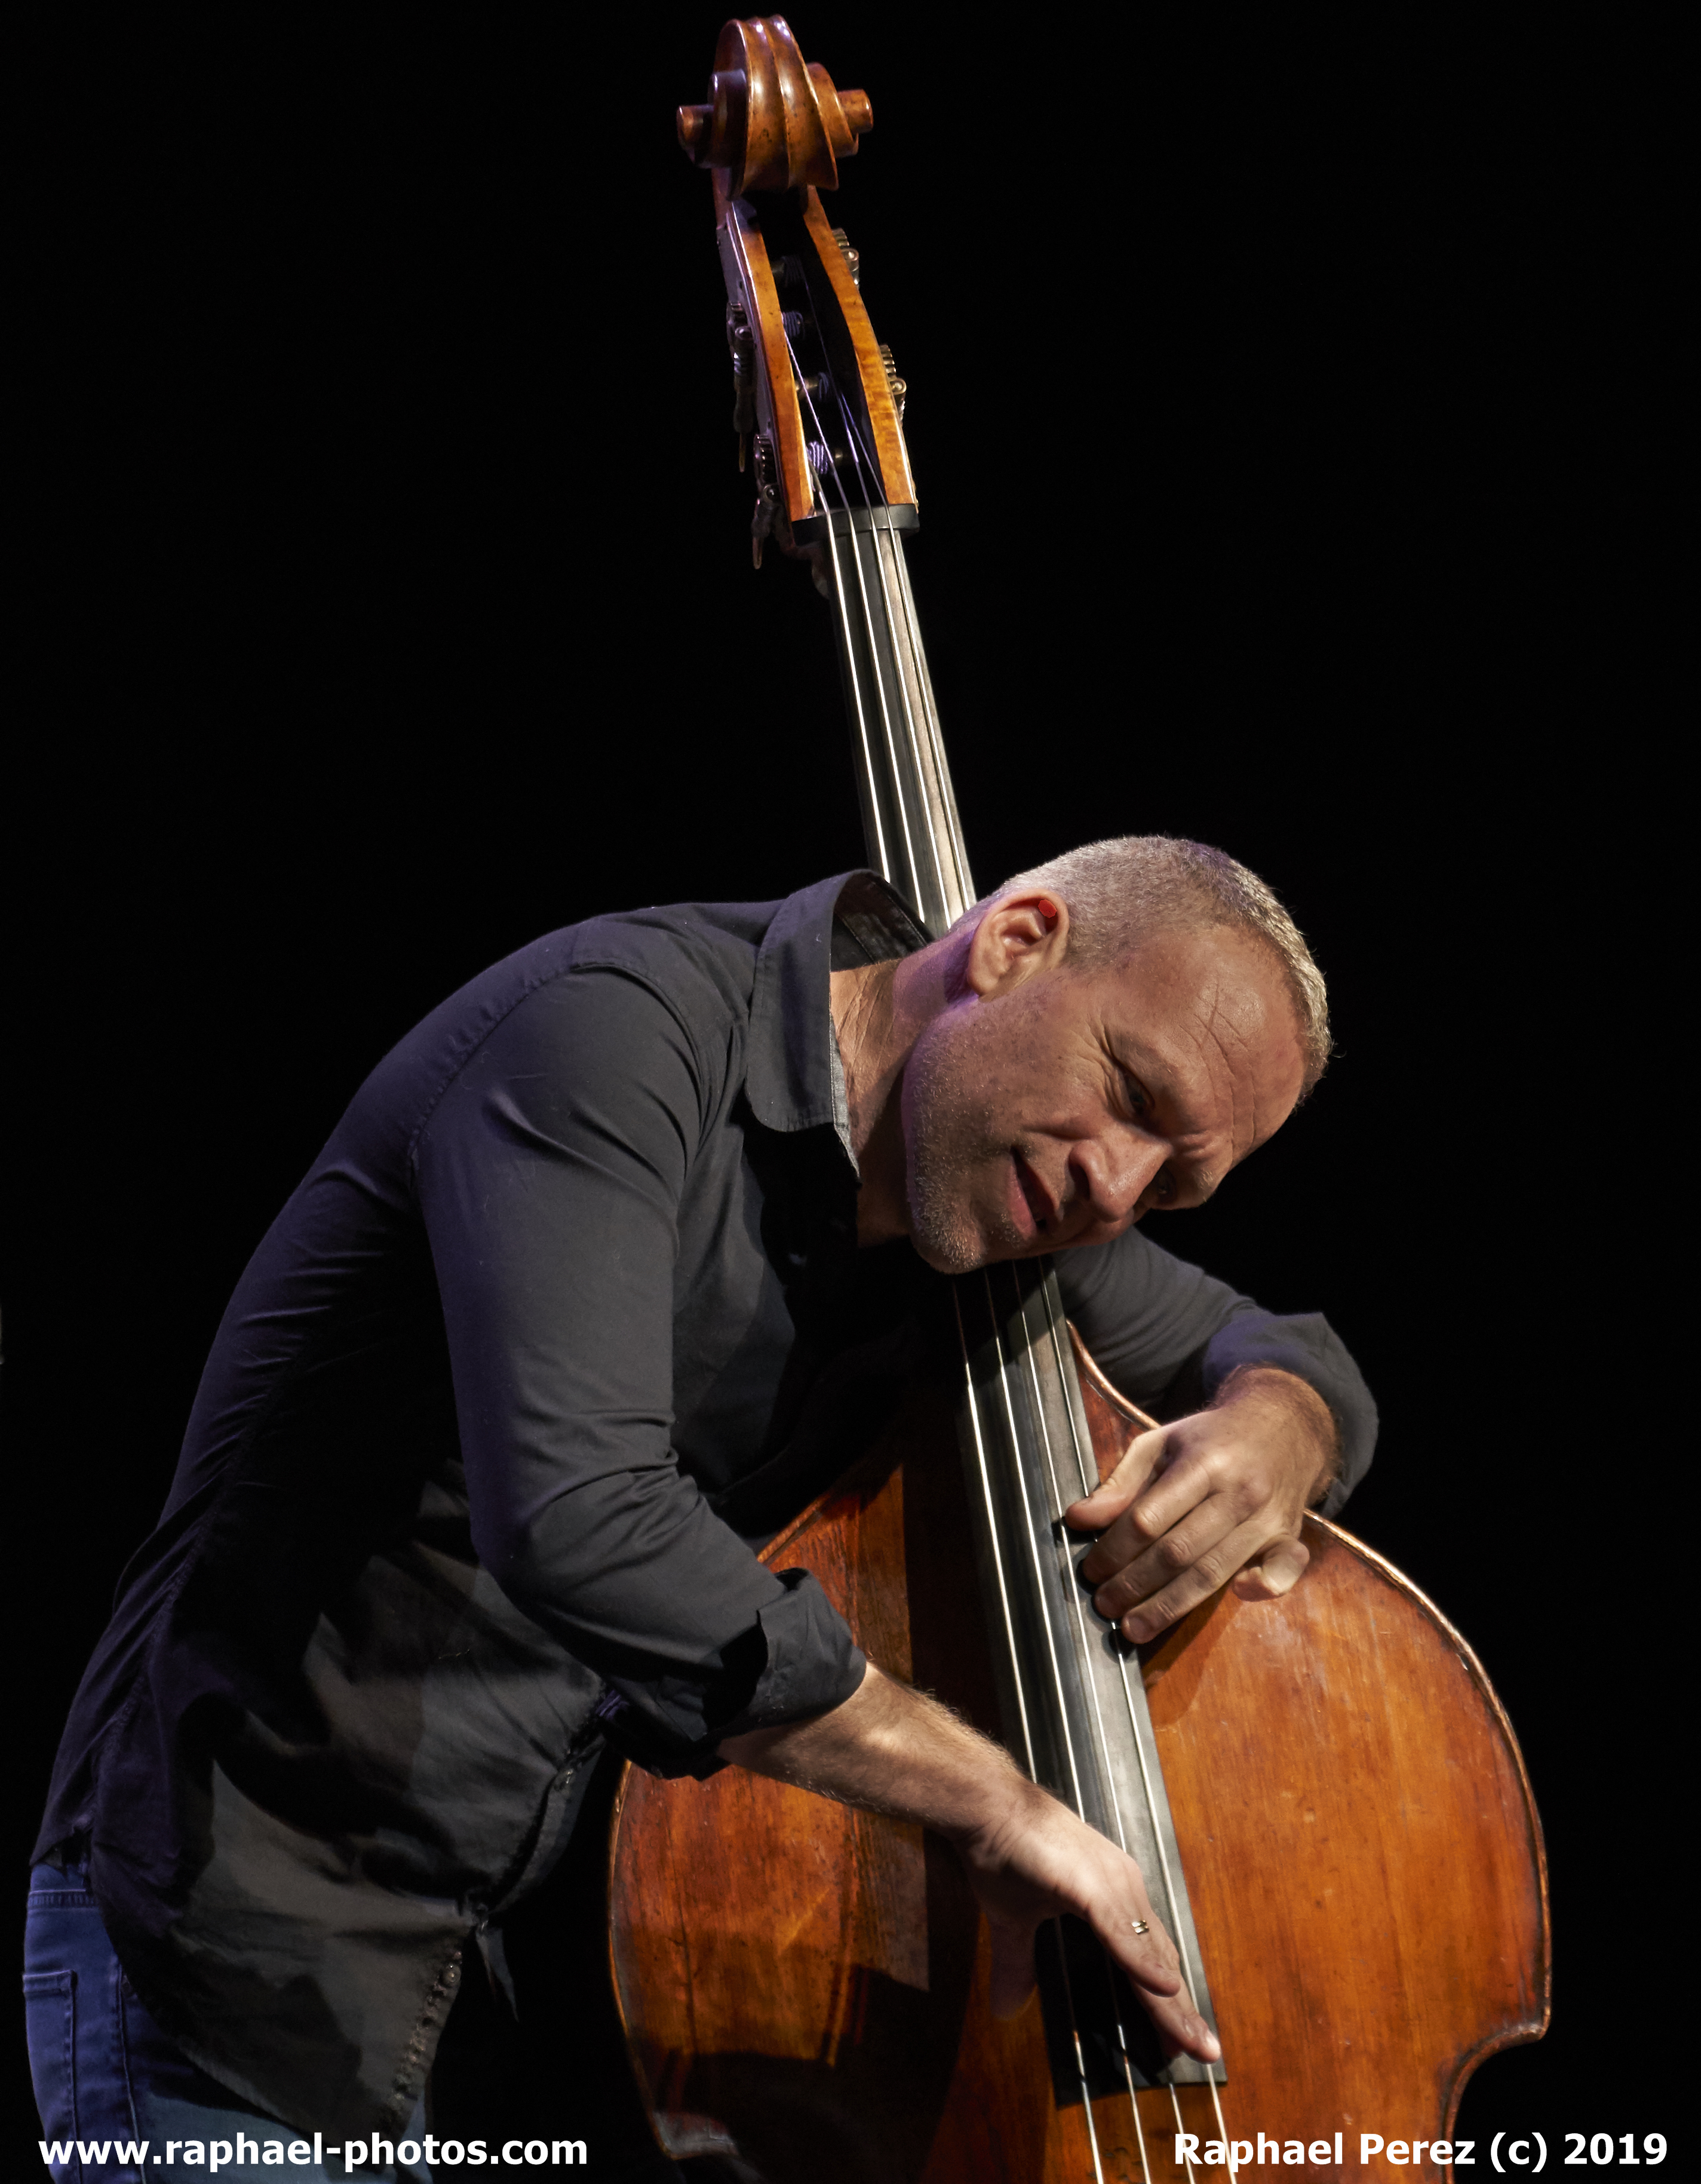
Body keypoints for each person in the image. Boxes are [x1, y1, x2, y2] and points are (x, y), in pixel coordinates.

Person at [26, 839, 1375, 2180]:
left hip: (515, 2023)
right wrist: (995, 1803)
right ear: (1013, 941)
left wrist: (1279, 1430)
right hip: (234, 1953)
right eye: (1128, 1096)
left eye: (1176, 1184)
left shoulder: (988, 1190)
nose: (1118, 1192)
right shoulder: (610, 1036)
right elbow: (580, 1518)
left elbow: (1288, 1352)